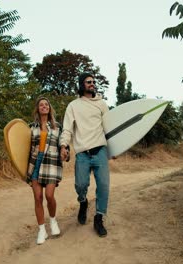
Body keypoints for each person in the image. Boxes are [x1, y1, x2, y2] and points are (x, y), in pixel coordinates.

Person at [59, 72, 110, 237]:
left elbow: (109, 127)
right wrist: (64, 145)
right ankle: (83, 202)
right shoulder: (73, 106)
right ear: (81, 84)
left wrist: (114, 149)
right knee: (80, 185)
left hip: (100, 151)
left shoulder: (102, 104)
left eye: (93, 82)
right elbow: (67, 129)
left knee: (103, 186)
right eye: (88, 82)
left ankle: (99, 218)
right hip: (83, 153)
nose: (92, 84)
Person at [27, 97, 64, 245]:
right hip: (36, 162)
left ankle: (53, 220)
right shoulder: (31, 127)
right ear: (37, 109)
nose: (44, 106)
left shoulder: (57, 127)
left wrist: (64, 151)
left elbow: (63, 144)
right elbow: (24, 148)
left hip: (51, 162)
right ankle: (42, 230)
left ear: (49, 108)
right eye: (41, 105)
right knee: (37, 198)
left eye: (46, 104)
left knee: (49, 196)